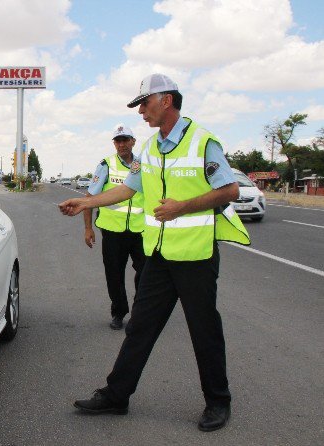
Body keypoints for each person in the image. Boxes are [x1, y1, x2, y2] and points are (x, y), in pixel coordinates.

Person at [59, 73, 250, 432]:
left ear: (166, 100)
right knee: (140, 328)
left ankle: (218, 402)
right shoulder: (146, 148)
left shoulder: (202, 141)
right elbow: (128, 190)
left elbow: (230, 190)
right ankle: (116, 396)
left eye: (144, 103)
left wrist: (183, 207)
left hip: (195, 256)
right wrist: (86, 202)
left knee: (204, 330)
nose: (141, 111)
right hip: (159, 255)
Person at [85, 124, 145, 330]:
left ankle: (140, 312)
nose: (121, 144)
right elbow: (91, 197)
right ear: (114, 143)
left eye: (125, 140)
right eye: (118, 141)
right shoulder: (106, 165)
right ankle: (119, 312)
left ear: (133, 142)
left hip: (141, 230)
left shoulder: (143, 164)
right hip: (112, 231)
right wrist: (88, 228)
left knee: (146, 272)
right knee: (114, 273)